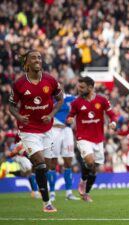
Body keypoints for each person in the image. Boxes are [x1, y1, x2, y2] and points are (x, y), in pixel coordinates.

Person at [9, 50, 64, 212]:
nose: (37, 60)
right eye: (33, 57)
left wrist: (52, 114)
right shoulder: (19, 84)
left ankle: (30, 164)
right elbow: (11, 106)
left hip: (47, 129)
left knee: (47, 166)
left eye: (39, 57)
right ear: (27, 62)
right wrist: (19, 116)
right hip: (28, 129)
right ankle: (46, 203)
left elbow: (60, 99)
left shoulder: (50, 80)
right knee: (40, 165)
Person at [66, 76, 116, 202]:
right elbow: (70, 115)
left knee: (94, 168)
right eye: (79, 87)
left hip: (98, 138)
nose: (79, 89)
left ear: (91, 87)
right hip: (83, 137)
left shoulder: (102, 100)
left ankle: (86, 192)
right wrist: (70, 119)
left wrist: (113, 122)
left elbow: (111, 114)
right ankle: (82, 181)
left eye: (82, 87)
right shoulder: (76, 102)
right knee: (89, 161)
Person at [47, 93, 80, 201]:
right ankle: (52, 192)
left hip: (67, 130)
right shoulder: (47, 99)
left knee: (68, 160)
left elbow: (81, 101)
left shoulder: (69, 98)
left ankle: (69, 193)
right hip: (53, 130)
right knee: (53, 161)